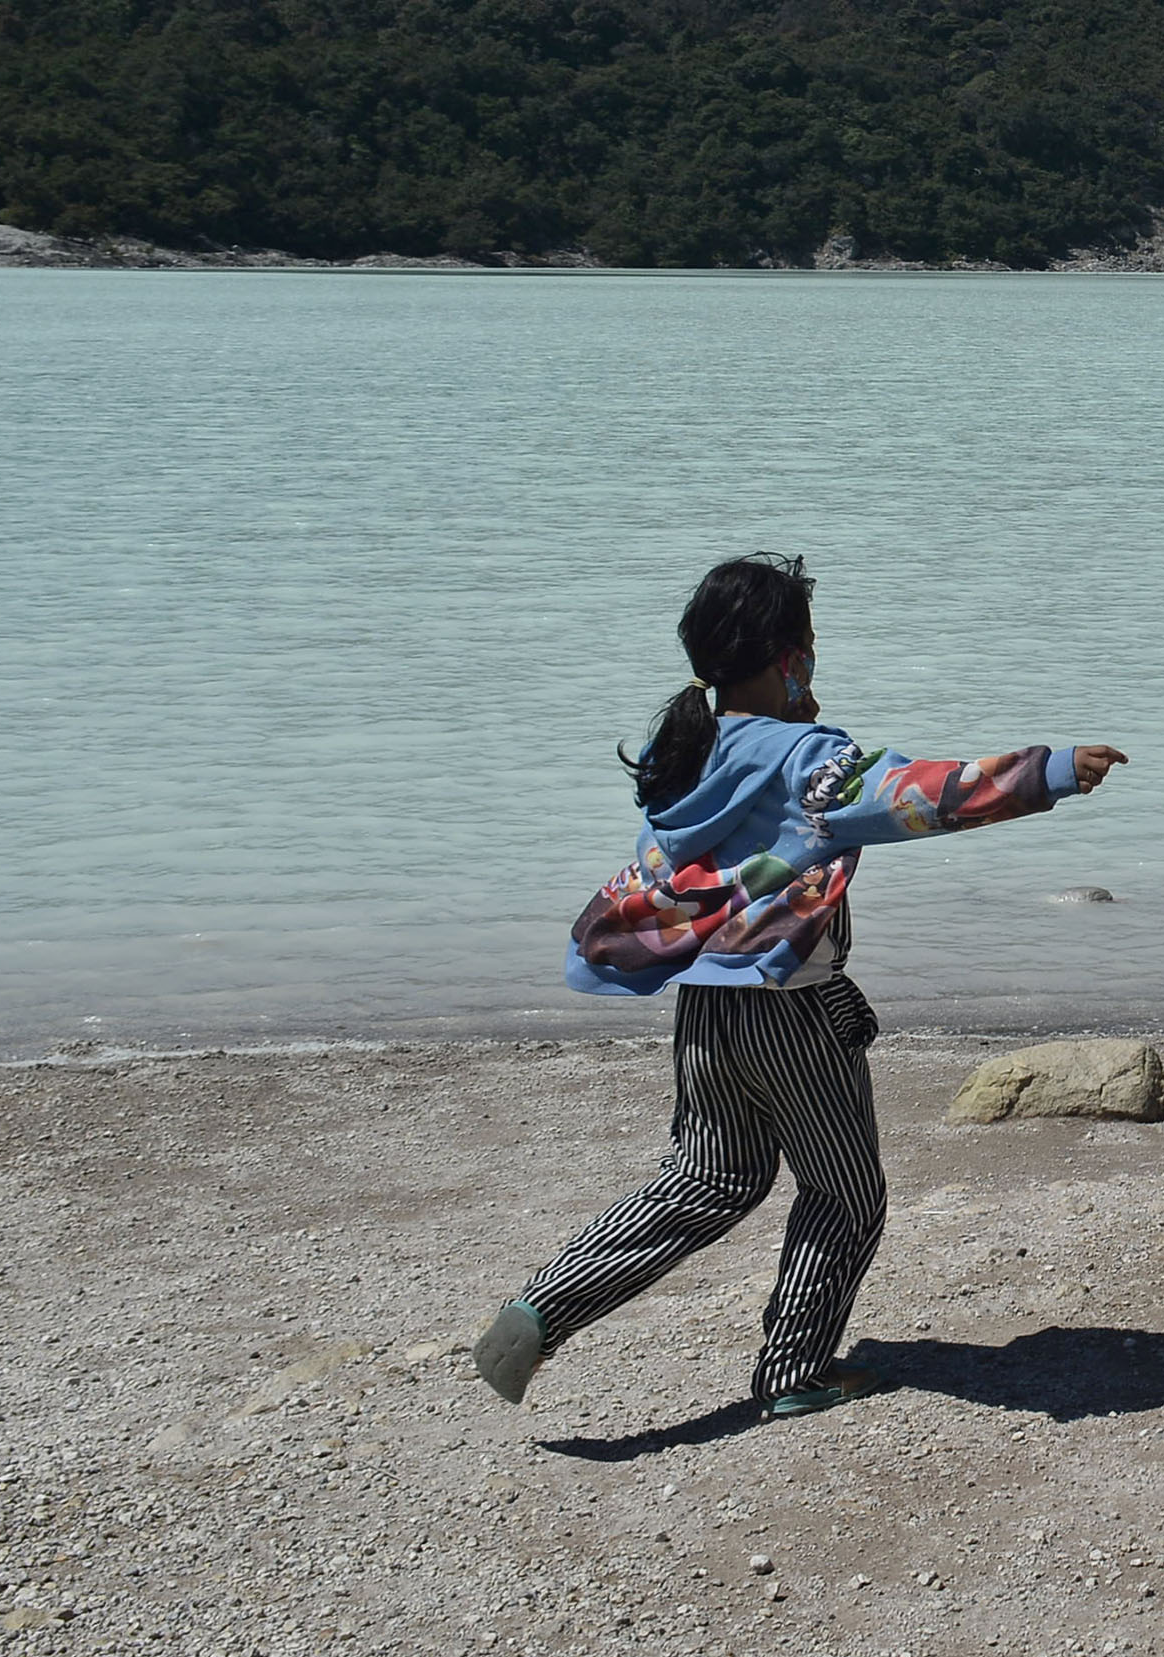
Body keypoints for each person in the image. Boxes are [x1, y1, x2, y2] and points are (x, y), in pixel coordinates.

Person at [472, 552, 1125, 1419]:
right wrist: (1045, 770)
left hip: (705, 1011)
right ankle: (793, 1369)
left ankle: (540, 1307)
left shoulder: (687, 753)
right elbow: (911, 796)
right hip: (792, 1014)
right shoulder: (808, 756)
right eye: (809, 648)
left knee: (704, 1179)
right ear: (791, 658)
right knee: (846, 1194)